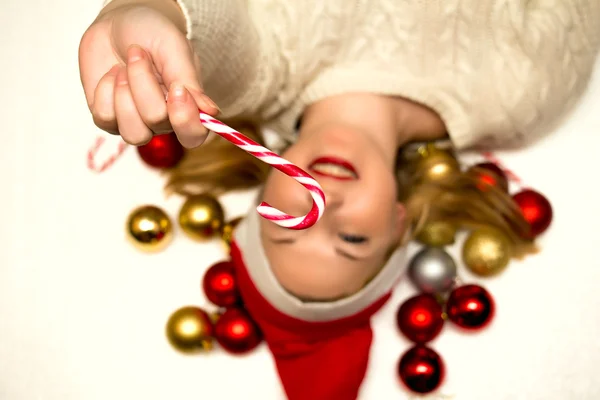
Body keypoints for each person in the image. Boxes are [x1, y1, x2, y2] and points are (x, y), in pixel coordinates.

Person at [78, 0, 600, 398]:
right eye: (350, 239)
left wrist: (144, 13)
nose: (324, 205)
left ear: (265, 191)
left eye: (292, 223)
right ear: (399, 226)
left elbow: (210, 34)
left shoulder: (259, 76)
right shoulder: (520, 98)